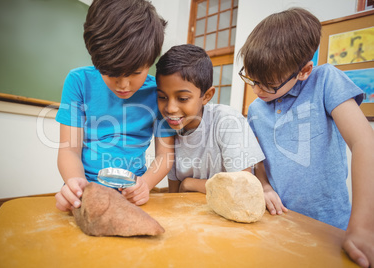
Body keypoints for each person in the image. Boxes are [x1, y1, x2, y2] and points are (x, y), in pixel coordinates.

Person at [238, 8, 374, 268]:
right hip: (279, 222)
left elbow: (364, 143)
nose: (257, 90)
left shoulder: (325, 81)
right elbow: (258, 159)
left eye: (268, 84)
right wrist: (264, 187)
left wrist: (365, 226)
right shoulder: (256, 109)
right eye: (252, 79)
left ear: (304, 71)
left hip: (330, 225)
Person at [55, 0, 175, 211]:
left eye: (135, 73)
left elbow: (165, 156)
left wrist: (145, 184)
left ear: (151, 60)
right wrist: (75, 183)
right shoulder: (78, 81)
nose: (123, 85)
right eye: (110, 73)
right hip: (86, 191)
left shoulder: (159, 93)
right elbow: (69, 151)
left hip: (131, 195)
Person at [155, 44, 265, 193]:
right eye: (162, 97)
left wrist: (189, 184)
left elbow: (243, 186)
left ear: (207, 96)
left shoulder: (226, 121)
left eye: (182, 98)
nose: (170, 108)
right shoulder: (168, 129)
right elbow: (175, 194)